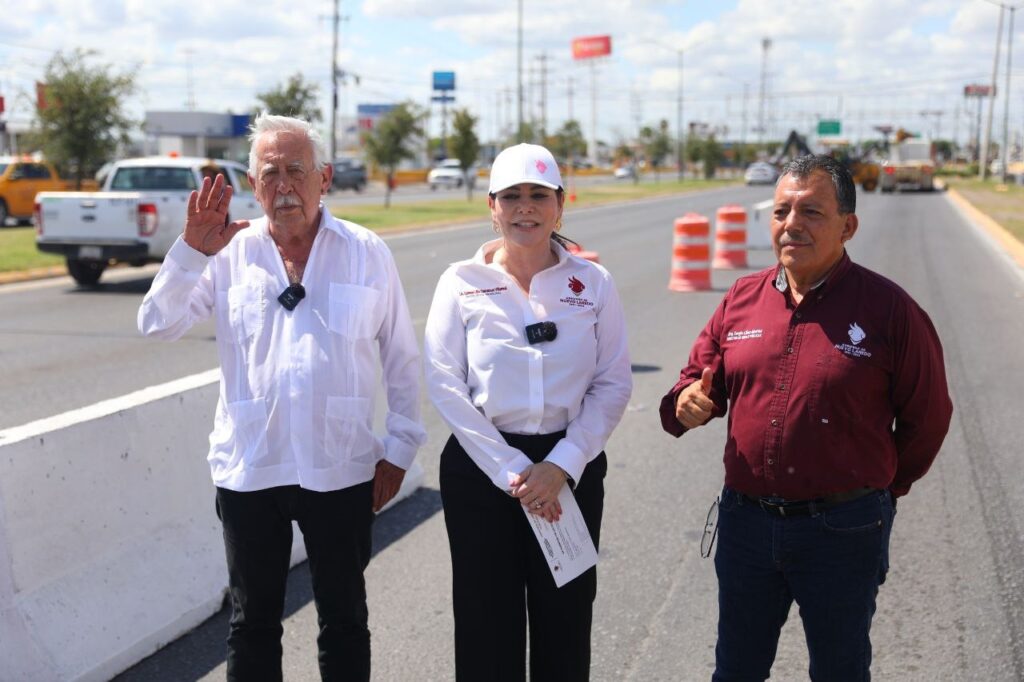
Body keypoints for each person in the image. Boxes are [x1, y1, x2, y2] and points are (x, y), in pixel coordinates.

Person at [138, 113, 425, 681]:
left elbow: (401, 356)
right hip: (251, 467)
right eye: (270, 174)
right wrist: (191, 250)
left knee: (344, 619)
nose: (284, 186)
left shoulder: (366, 253)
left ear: (325, 177)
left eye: (297, 170)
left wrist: (399, 446)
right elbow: (157, 322)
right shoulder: (225, 254)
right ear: (252, 185)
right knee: (252, 624)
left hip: (340, 466)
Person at [660, 154, 953, 681]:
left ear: (848, 225)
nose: (791, 224)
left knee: (839, 670)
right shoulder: (740, 299)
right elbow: (694, 381)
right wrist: (686, 402)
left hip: (843, 530)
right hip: (746, 526)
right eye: (780, 212)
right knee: (735, 671)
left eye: (811, 212)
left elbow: (927, 419)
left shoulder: (889, 309)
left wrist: (882, 490)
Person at [424, 143, 633, 681]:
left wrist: (562, 464)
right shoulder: (461, 282)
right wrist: (512, 471)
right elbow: (445, 382)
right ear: (491, 207)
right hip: (484, 467)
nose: (525, 208)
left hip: (570, 466)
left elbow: (612, 382)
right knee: (485, 625)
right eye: (511, 196)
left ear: (560, 205)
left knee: (565, 620)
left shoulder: (593, 284)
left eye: (538, 195)